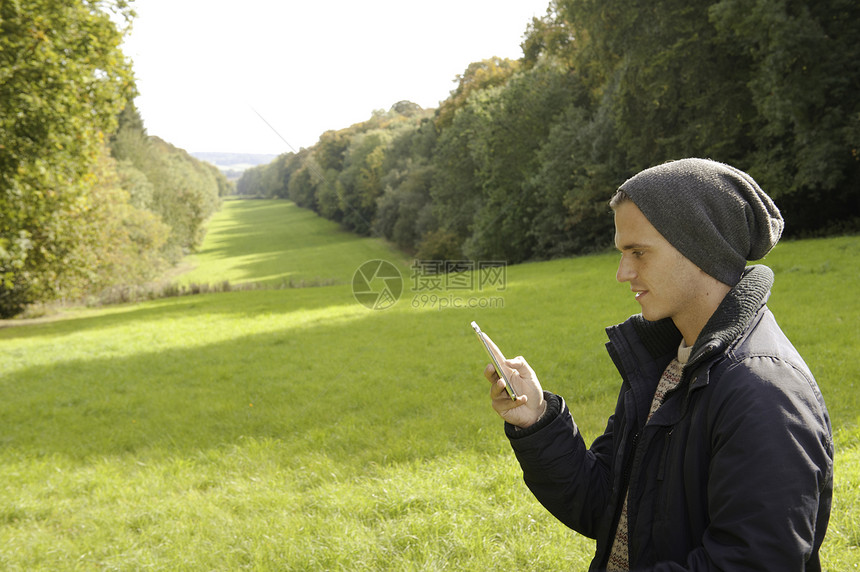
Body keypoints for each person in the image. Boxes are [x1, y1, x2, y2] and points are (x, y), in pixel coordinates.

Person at [483, 158, 833, 571]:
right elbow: (606, 506)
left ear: (701, 247)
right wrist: (538, 421)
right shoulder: (667, 363)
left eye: (639, 252)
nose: (622, 272)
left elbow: (752, 562)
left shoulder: (763, 390)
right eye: (622, 253)